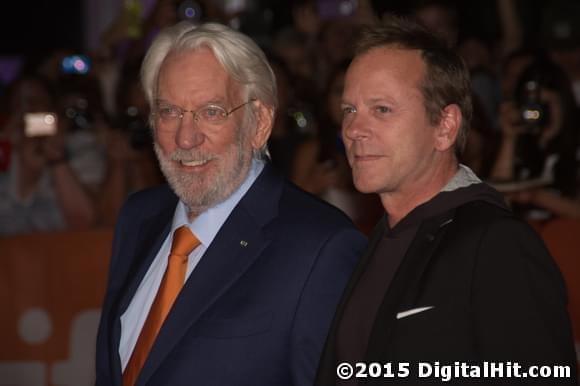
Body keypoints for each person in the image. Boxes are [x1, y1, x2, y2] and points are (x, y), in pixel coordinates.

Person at [95, 21, 366, 386]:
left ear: (259, 122)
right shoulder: (138, 217)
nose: (185, 138)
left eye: (211, 112)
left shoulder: (321, 247)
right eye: (169, 112)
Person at [315, 16, 577, 385]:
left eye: (382, 109)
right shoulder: (384, 236)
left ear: (445, 127)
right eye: (349, 110)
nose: (354, 130)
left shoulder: (495, 244)